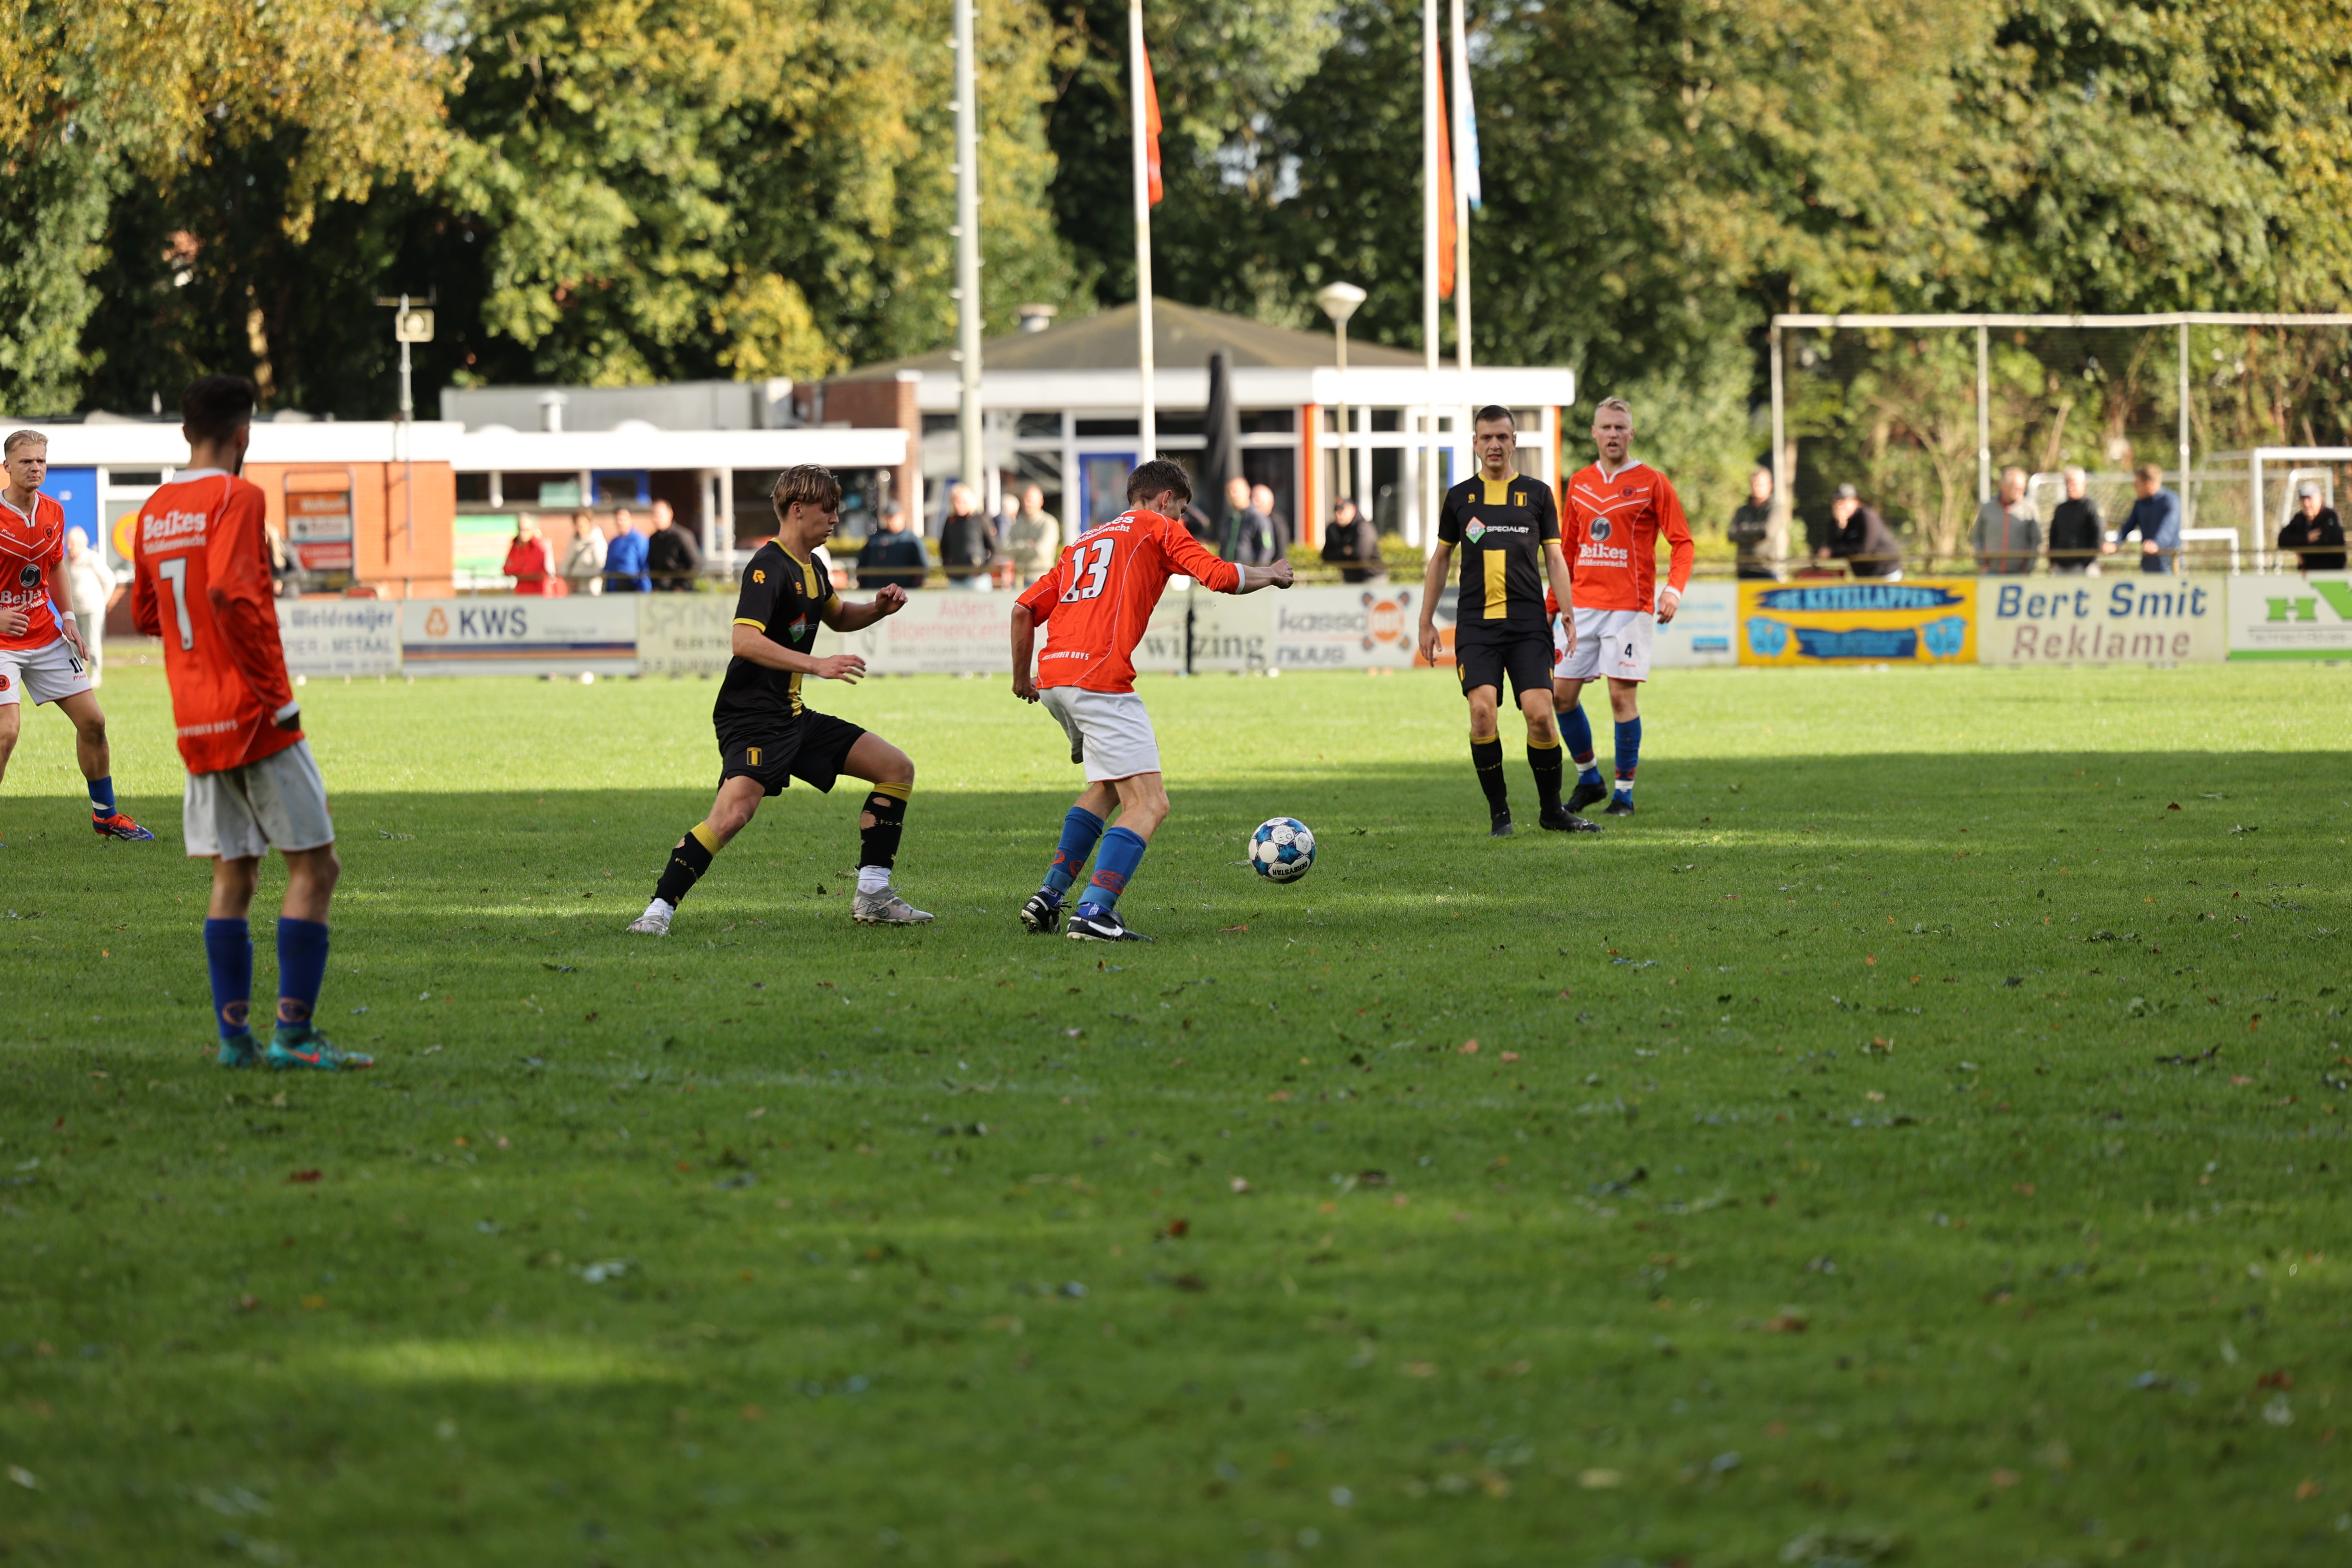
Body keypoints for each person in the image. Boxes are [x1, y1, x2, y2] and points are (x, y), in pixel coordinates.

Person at [129, 377, 359, 1069]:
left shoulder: (155, 508)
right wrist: (277, 697)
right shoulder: (239, 497)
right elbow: (231, 593)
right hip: (254, 714)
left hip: (194, 718)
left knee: (234, 875)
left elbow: (146, 614)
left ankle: (235, 1044)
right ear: (243, 434)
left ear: (184, 432)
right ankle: (294, 1037)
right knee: (316, 867)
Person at [627, 465, 931, 936]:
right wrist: (816, 665)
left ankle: (874, 895)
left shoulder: (814, 566)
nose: (835, 519)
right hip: (753, 718)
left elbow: (838, 616)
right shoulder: (768, 566)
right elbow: (744, 641)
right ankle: (657, 912)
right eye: (828, 509)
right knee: (733, 815)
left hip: (792, 716)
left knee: (896, 769)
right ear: (798, 509)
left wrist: (878, 609)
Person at [1010, 458, 1293, 942]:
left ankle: (1049, 896)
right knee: (1150, 803)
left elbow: (1022, 610)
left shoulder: (1083, 541)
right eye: (1180, 511)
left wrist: (1022, 679)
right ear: (1166, 500)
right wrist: (1271, 573)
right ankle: (1094, 911)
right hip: (1099, 679)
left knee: (1110, 787)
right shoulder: (1157, 527)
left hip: (1055, 679)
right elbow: (1220, 575)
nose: (1180, 521)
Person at [1416, 405, 1589, 837]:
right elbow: (1441, 559)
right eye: (1486, 438)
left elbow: (1555, 558)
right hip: (1477, 625)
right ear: (1475, 444)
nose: (1494, 445)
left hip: (1529, 623)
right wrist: (1426, 620)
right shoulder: (1460, 498)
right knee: (1481, 713)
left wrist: (1568, 611)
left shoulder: (1538, 494)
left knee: (1541, 715)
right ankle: (1500, 816)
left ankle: (1552, 811)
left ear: (1514, 442)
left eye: (1502, 437)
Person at [0, 430, 154, 843]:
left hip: (44, 634)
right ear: (7, 467)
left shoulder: (54, 511)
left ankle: (106, 816)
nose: (35, 467)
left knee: (94, 722)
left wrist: (67, 617)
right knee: (6, 731)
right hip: (2, 644)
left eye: (41, 461)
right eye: (26, 461)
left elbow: (55, 568)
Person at [1553, 396, 1694, 820]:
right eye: (1606, 427)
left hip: (1629, 608)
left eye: (1620, 427)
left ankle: (1624, 796)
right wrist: (1552, 605)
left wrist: (1673, 591)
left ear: (1631, 433)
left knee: (1620, 699)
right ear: (1594, 433)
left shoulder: (1653, 482)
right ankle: (1589, 779)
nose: (1613, 434)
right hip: (1581, 607)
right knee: (1560, 696)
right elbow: (1566, 551)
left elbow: (1683, 542)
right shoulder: (1579, 483)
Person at [1819, 483, 1903, 579]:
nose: (1840, 505)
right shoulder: (1842, 522)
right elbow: (1833, 546)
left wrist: (1833, 552)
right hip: (1864, 577)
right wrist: (1838, 524)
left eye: (1844, 501)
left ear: (1856, 502)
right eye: (1837, 501)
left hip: (1886, 573)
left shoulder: (1867, 518)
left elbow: (1863, 550)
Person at [63, 526, 113, 687]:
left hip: (93, 609)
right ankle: (79, 675)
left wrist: (103, 603)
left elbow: (109, 581)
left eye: (72, 543)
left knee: (92, 644)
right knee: (74, 645)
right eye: (68, 543)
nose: (70, 547)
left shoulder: (92, 559)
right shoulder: (65, 562)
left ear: (82, 543)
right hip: (74, 610)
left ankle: (96, 676)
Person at [1969, 468, 2040, 575]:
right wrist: (1982, 563)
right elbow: (1977, 537)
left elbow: (2036, 541)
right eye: (2016, 488)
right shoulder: (1987, 509)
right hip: (1991, 572)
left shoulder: (2030, 510)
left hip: (2020, 573)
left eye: (2022, 489)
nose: (2020, 492)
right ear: (2004, 486)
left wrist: (2029, 567)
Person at [2116, 464, 2181, 573]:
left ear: (2148, 485)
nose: (2134, 487)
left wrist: (2156, 544)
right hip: (2148, 565)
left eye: (2137, 484)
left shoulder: (2170, 501)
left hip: (2169, 565)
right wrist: (2115, 543)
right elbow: (2128, 526)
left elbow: (2168, 527)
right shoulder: (2140, 503)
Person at [857, 500, 928, 591]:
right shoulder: (875, 540)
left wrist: (913, 588)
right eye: (889, 518)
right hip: (877, 591)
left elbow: (922, 568)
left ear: (903, 516)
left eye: (895, 517)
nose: (892, 522)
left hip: (905, 592)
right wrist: (865, 586)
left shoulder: (912, 540)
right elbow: (862, 565)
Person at [1004, 484, 1063, 589]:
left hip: (1040, 579)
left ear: (1041, 502)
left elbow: (1042, 551)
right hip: (1019, 580)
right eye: (1025, 500)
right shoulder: (1017, 524)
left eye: (1031, 500)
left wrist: (1017, 550)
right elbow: (1004, 549)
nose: (1027, 504)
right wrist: (1027, 544)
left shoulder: (1048, 523)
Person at [2278, 482, 2346, 572]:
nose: (2306, 504)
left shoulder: (2331, 516)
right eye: (2303, 500)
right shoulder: (2300, 518)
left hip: (2332, 574)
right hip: (2307, 574)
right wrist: (2306, 538)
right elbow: (2282, 540)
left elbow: (2330, 543)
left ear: (2320, 499)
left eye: (2310, 499)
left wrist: (2300, 548)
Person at [2047, 467, 2104, 574]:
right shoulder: (2061, 509)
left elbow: (2099, 536)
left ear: (2084, 484)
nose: (2069, 487)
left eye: (2073, 483)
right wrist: (2053, 560)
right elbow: (2053, 535)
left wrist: (2087, 562)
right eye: (2067, 483)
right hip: (2061, 568)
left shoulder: (2091, 507)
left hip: (2084, 568)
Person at [940, 482, 996, 591]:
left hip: (977, 579)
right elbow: (944, 548)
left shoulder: (980, 519)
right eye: (955, 501)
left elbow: (995, 548)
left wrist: (983, 570)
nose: (958, 505)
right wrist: (947, 570)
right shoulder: (950, 521)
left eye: (962, 502)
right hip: (956, 578)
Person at [1320, 496, 1385, 583]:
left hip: (1372, 578)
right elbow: (1326, 556)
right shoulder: (1333, 529)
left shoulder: (1363, 527)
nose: (1339, 515)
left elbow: (1360, 556)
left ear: (1352, 510)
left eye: (1342, 511)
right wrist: (1345, 551)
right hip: (1350, 579)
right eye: (1336, 511)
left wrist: (1339, 553)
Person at [1727, 468, 1775, 580]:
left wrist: (1743, 529)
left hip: (1766, 569)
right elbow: (1731, 534)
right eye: (1754, 484)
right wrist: (1755, 536)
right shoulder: (1742, 510)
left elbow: (1766, 532)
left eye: (1760, 484)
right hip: (1745, 569)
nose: (1756, 488)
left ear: (1770, 486)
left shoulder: (1774, 510)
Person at [646, 498, 701, 591]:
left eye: (659, 515)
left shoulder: (683, 536)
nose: (656, 519)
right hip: (661, 590)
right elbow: (652, 566)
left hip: (681, 591)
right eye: (654, 515)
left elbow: (695, 565)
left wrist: (682, 587)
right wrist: (656, 586)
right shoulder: (654, 539)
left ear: (670, 514)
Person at [1223, 476, 1280, 566]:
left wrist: (1257, 570)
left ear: (1247, 491)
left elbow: (1267, 548)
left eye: (1236, 491)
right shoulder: (1229, 518)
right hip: (1230, 572)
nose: (1233, 495)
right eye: (1229, 491)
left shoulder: (1258, 517)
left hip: (1249, 571)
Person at [502, 513, 559, 596]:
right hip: (522, 594)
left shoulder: (541, 546)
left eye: (527, 530)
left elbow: (545, 571)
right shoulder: (515, 547)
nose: (523, 533)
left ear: (533, 530)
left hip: (541, 593)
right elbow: (508, 570)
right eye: (521, 529)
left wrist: (521, 573)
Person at [560, 511, 606, 596]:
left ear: (590, 523)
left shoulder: (597, 542)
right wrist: (570, 581)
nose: (581, 526)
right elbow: (565, 566)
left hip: (591, 591)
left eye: (583, 523)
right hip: (575, 590)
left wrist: (581, 579)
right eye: (578, 524)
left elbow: (600, 567)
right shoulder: (573, 543)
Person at [604, 507, 651, 592]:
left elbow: (645, 566)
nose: (620, 523)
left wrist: (644, 590)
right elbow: (609, 567)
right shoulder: (614, 542)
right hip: (614, 590)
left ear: (631, 519)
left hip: (633, 589)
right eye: (618, 520)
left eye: (623, 520)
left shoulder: (639, 541)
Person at [1252, 483, 1289, 551]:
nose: (1255, 504)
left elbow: (1282, 548)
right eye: (1252, 500)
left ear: (1271, 504)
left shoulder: (1277, 522)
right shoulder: (1248, 520)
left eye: (1259, 501)